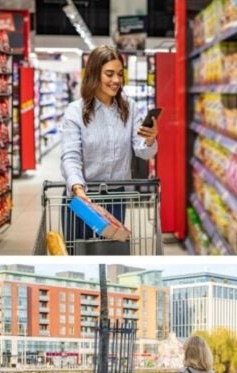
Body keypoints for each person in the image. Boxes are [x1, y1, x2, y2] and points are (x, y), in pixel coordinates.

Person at [61, 45, 159, 254]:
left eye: (119, 74)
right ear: (95, 74)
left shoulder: (129, 108)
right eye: (109, 74)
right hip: (84, 198)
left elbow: (142, 150)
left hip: (115, 197)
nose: (116, 80)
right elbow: (70, 155)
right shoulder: (75, 111)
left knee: (110, 253)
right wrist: (78, 188)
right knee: (80, 252)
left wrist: (149, 140)